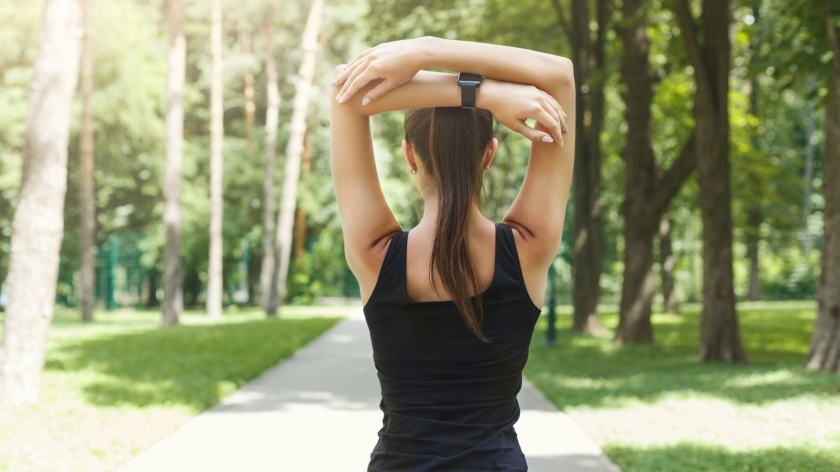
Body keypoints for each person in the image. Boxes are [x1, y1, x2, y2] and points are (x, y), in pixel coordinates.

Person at [330, 36, 575, 471]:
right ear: (489, 155)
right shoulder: (529, 245)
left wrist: (480, 94)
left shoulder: (375, 254)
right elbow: (560, 76)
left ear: (410, 155)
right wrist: (429, 52)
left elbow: (347, 98)